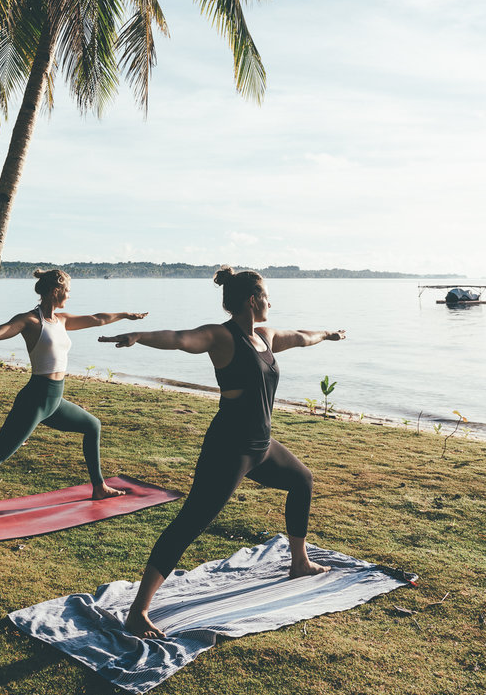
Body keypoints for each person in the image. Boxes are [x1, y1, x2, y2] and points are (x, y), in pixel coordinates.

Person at [99, 266, 346, 638]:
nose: (270, 302)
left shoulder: (265, 335)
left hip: (261, 446)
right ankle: (138, 611)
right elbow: (180, 338)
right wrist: (139, 335)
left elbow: (300, 337)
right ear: (252, 300)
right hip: (229, 448)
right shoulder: (221, 336)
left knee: (302, 480)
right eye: (266, 296)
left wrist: (327, 334)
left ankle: (299, 562)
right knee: (191, 522)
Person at [0, 268, 147, 539]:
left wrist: (126, 314)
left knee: (93, 425)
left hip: (54, 400)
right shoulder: (30, 321)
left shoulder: (62, 320)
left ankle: (98, 486)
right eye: (67, 290)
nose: (69, 295)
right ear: (56, 291)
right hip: (34, 401)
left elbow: (98, 319)